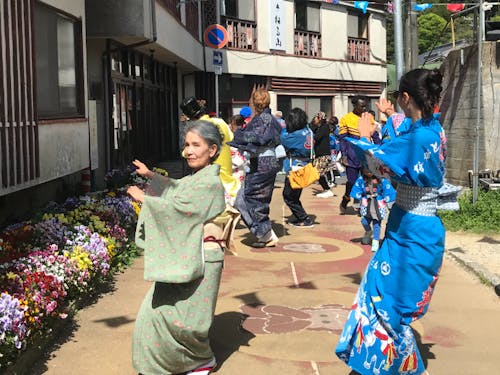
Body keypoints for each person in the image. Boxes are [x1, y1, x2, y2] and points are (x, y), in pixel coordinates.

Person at [335, 68, 447, 375]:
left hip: (414, 231)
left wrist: (363, 137)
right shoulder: (431, 129)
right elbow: (401, 143)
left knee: (388, 307)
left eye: (398, 97)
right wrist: (378, 128)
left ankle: (410, 370)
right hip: (409, 225)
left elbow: (381, 161)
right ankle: (371, 364)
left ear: (406, 98)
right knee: (377, 294)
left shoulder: (421, 136)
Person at [127, 120, 226, 375]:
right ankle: (184, 361)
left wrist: (146, 199)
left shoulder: (210, 183)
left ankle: (200, 361)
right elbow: (178, 190)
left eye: (196, 145)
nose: (188, 151)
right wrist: (151, 176)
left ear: (212, 150)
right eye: (186, 145)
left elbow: (181, 211)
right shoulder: (198, 178)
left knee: (185, 321)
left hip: (202, 258)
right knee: (158, 316)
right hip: (188, 254)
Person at [230, 86, 282, 248]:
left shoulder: (264, 119)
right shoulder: (269, 119)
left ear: (255, 102)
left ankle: (265, 233)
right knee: (248, 199)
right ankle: (265, 232)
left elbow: (257, 137)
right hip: (265, 162)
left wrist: (238, 134)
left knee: (250, 198)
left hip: (261, 162)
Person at [180, 96, 240, 204]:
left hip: (210, 185)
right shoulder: (220, 122)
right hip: (229, 182)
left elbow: (186, 153)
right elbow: (231, 138)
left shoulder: (197, 130)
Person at [338, 96, 381, 214]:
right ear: (354, 106)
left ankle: (361, 205)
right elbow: (342, 139)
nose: (364, 108)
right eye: (361, 106)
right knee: (352, 182)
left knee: (366, 181)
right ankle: (346, 197)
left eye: (365, 106)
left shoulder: (369, 118)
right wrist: (344, 155)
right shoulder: (346, 119)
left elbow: (376, 137)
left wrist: (380, 151)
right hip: (351, 156)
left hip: (366, 157)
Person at [280, 107, 315, 228]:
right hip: (305, 167)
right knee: (295, 195)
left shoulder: (291, 136)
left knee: (288, 196)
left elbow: (282, 137)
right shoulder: (308, 132)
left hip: (294, 169)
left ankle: (304, 218)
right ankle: (300, 216)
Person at [350, 167, 396, 252]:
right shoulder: (361, 179)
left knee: (376, 224)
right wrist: (356, 203)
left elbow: (388, 191)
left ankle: (375, 241)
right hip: (366, 203)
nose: (368, 171)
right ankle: (368, 232)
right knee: (364, 221)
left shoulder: (381, 179)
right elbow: (357, 190)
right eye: (366, 169)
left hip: (377, 204)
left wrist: (389, 204)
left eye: (370, 169)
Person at [311, 111, 335, 198]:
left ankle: (327, 189)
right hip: (319, 154)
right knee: (318, 173)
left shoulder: (324, 128)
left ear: (320, 119)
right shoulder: (320, 127)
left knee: (318, 173)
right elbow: (311, 128)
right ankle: (327, 188)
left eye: (316, 118)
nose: (314, 120)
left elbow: (316, 137)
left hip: (323, 154)